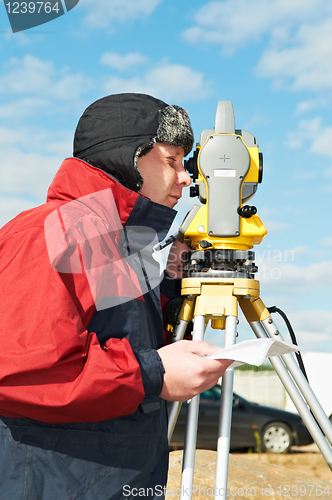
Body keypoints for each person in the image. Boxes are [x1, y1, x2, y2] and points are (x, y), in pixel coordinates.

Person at [0, 93, 232, 499]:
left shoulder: (116, 241)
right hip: (56, 481)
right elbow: (21, 370)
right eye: (172, 160)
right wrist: (153, 375)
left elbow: (123, 334)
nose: (186, 177)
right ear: (129, 157)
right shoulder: (52, 230)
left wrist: (175, 285)